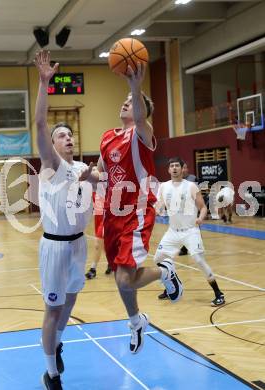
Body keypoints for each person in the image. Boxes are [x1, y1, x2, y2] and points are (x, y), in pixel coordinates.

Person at [83, 62, 183, 354]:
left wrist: (135, 87)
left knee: (125, 278)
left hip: (136, 210)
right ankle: (136, 321)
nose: (126, 104)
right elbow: (101, 173)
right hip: (113, 213)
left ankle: (165, 271)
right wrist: (90, 176)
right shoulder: (106, 137)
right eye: (124, 101)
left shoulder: (142, 133)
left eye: (132, 102)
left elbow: (140, 118)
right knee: (121, 280)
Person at [34, 50, 93, 390]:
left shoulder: (82, 168)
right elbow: (40, 122)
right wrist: (45, 83)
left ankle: (56, 344)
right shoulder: (51, 165)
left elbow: (99, 179)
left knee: (70, 303)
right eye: (61, 135)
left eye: (70, 134)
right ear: (52, 144)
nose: (67, 137)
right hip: (54, 247)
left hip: (78, 244)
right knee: (53, 310)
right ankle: (50, 374)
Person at [155, 157, 225, 307]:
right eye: (171, 166)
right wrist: (156, 210)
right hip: (172, 231)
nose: (174, 168)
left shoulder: (191, 186)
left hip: (190, 231)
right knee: (158, 259)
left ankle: (219, 294)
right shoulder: (163, 187)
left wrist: (200, 218)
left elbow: (203, 207)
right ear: (168, 170)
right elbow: (159, 206)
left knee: (199, 260)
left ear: (182, 169)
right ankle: (170, 287)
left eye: (177, 166)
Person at [85, 191, 112, 279]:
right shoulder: (94, 187)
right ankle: (111, 262)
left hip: (108, 217)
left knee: (98, 243)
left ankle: (93, 269)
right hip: (98, 217)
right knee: (103, 244)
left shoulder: (111, 186)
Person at [179, 163, 197, 255]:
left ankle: (186, 248)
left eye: (186, 167)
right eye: (183, 168)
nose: (185, 169)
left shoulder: (193, 178)